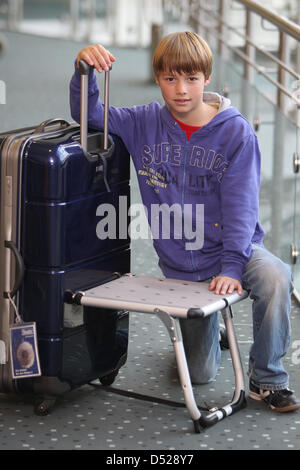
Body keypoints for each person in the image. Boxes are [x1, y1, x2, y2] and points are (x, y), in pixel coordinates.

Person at [69, 31, 300, 412]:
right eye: (170, 78)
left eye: (191, 78)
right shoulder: (143, 122)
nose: (181, 90)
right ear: (158, 77)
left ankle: (268, 378)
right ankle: (215, 335)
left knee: (276, 276)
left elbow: (242, 210)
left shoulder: (235, 132)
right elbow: (89, 117)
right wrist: (83, 71)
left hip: (234, 250)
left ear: (206, 78)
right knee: (200, 373)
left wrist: (231, 266)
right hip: (181, 267)